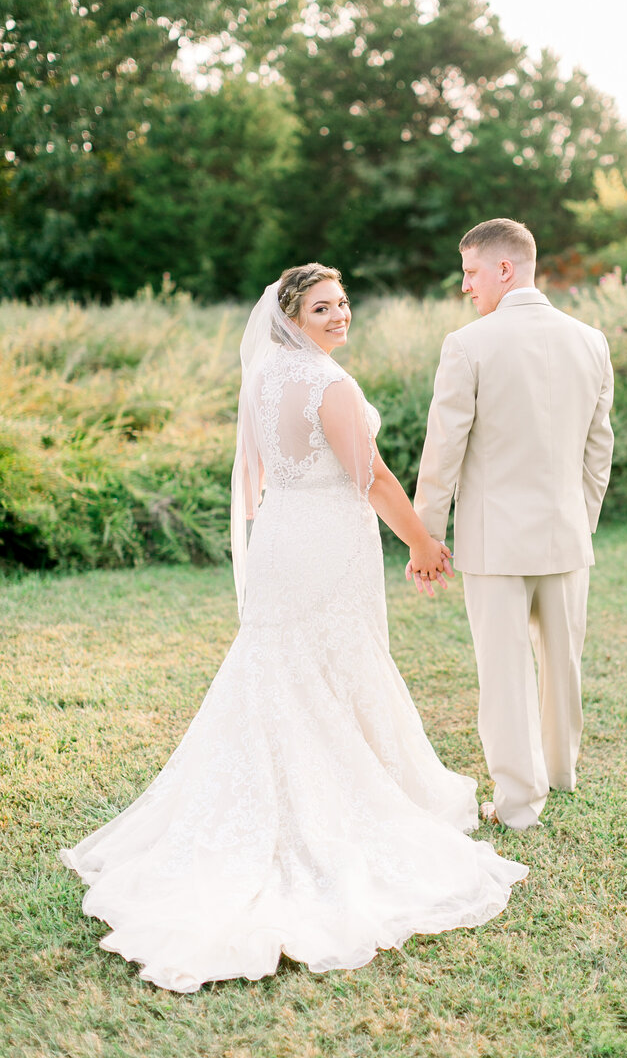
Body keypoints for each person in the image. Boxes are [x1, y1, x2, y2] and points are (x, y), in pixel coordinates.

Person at [60, 263, 527, 994]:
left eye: (343, 304)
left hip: (284, 534)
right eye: (322, 307)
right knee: (330, 663)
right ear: (291, 315)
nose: (339, 316)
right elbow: (369, 478)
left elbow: (257, 478)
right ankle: (328, 813)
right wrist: (423, 543)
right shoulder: (328, 385)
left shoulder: (264, 377)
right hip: (327, 542)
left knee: (282, 667)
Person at [410, 219, 614, 829]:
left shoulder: (468, 344)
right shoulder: (591, 340)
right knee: (562, 662)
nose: (465, 286)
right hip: (567, 533)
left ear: (506, 269)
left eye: (471, 272)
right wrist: (581, 520)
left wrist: (427, 536)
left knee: (504, 675)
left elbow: (443, 449)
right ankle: (560, 770)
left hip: (493, 541)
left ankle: (520, 804)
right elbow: (598, 449)